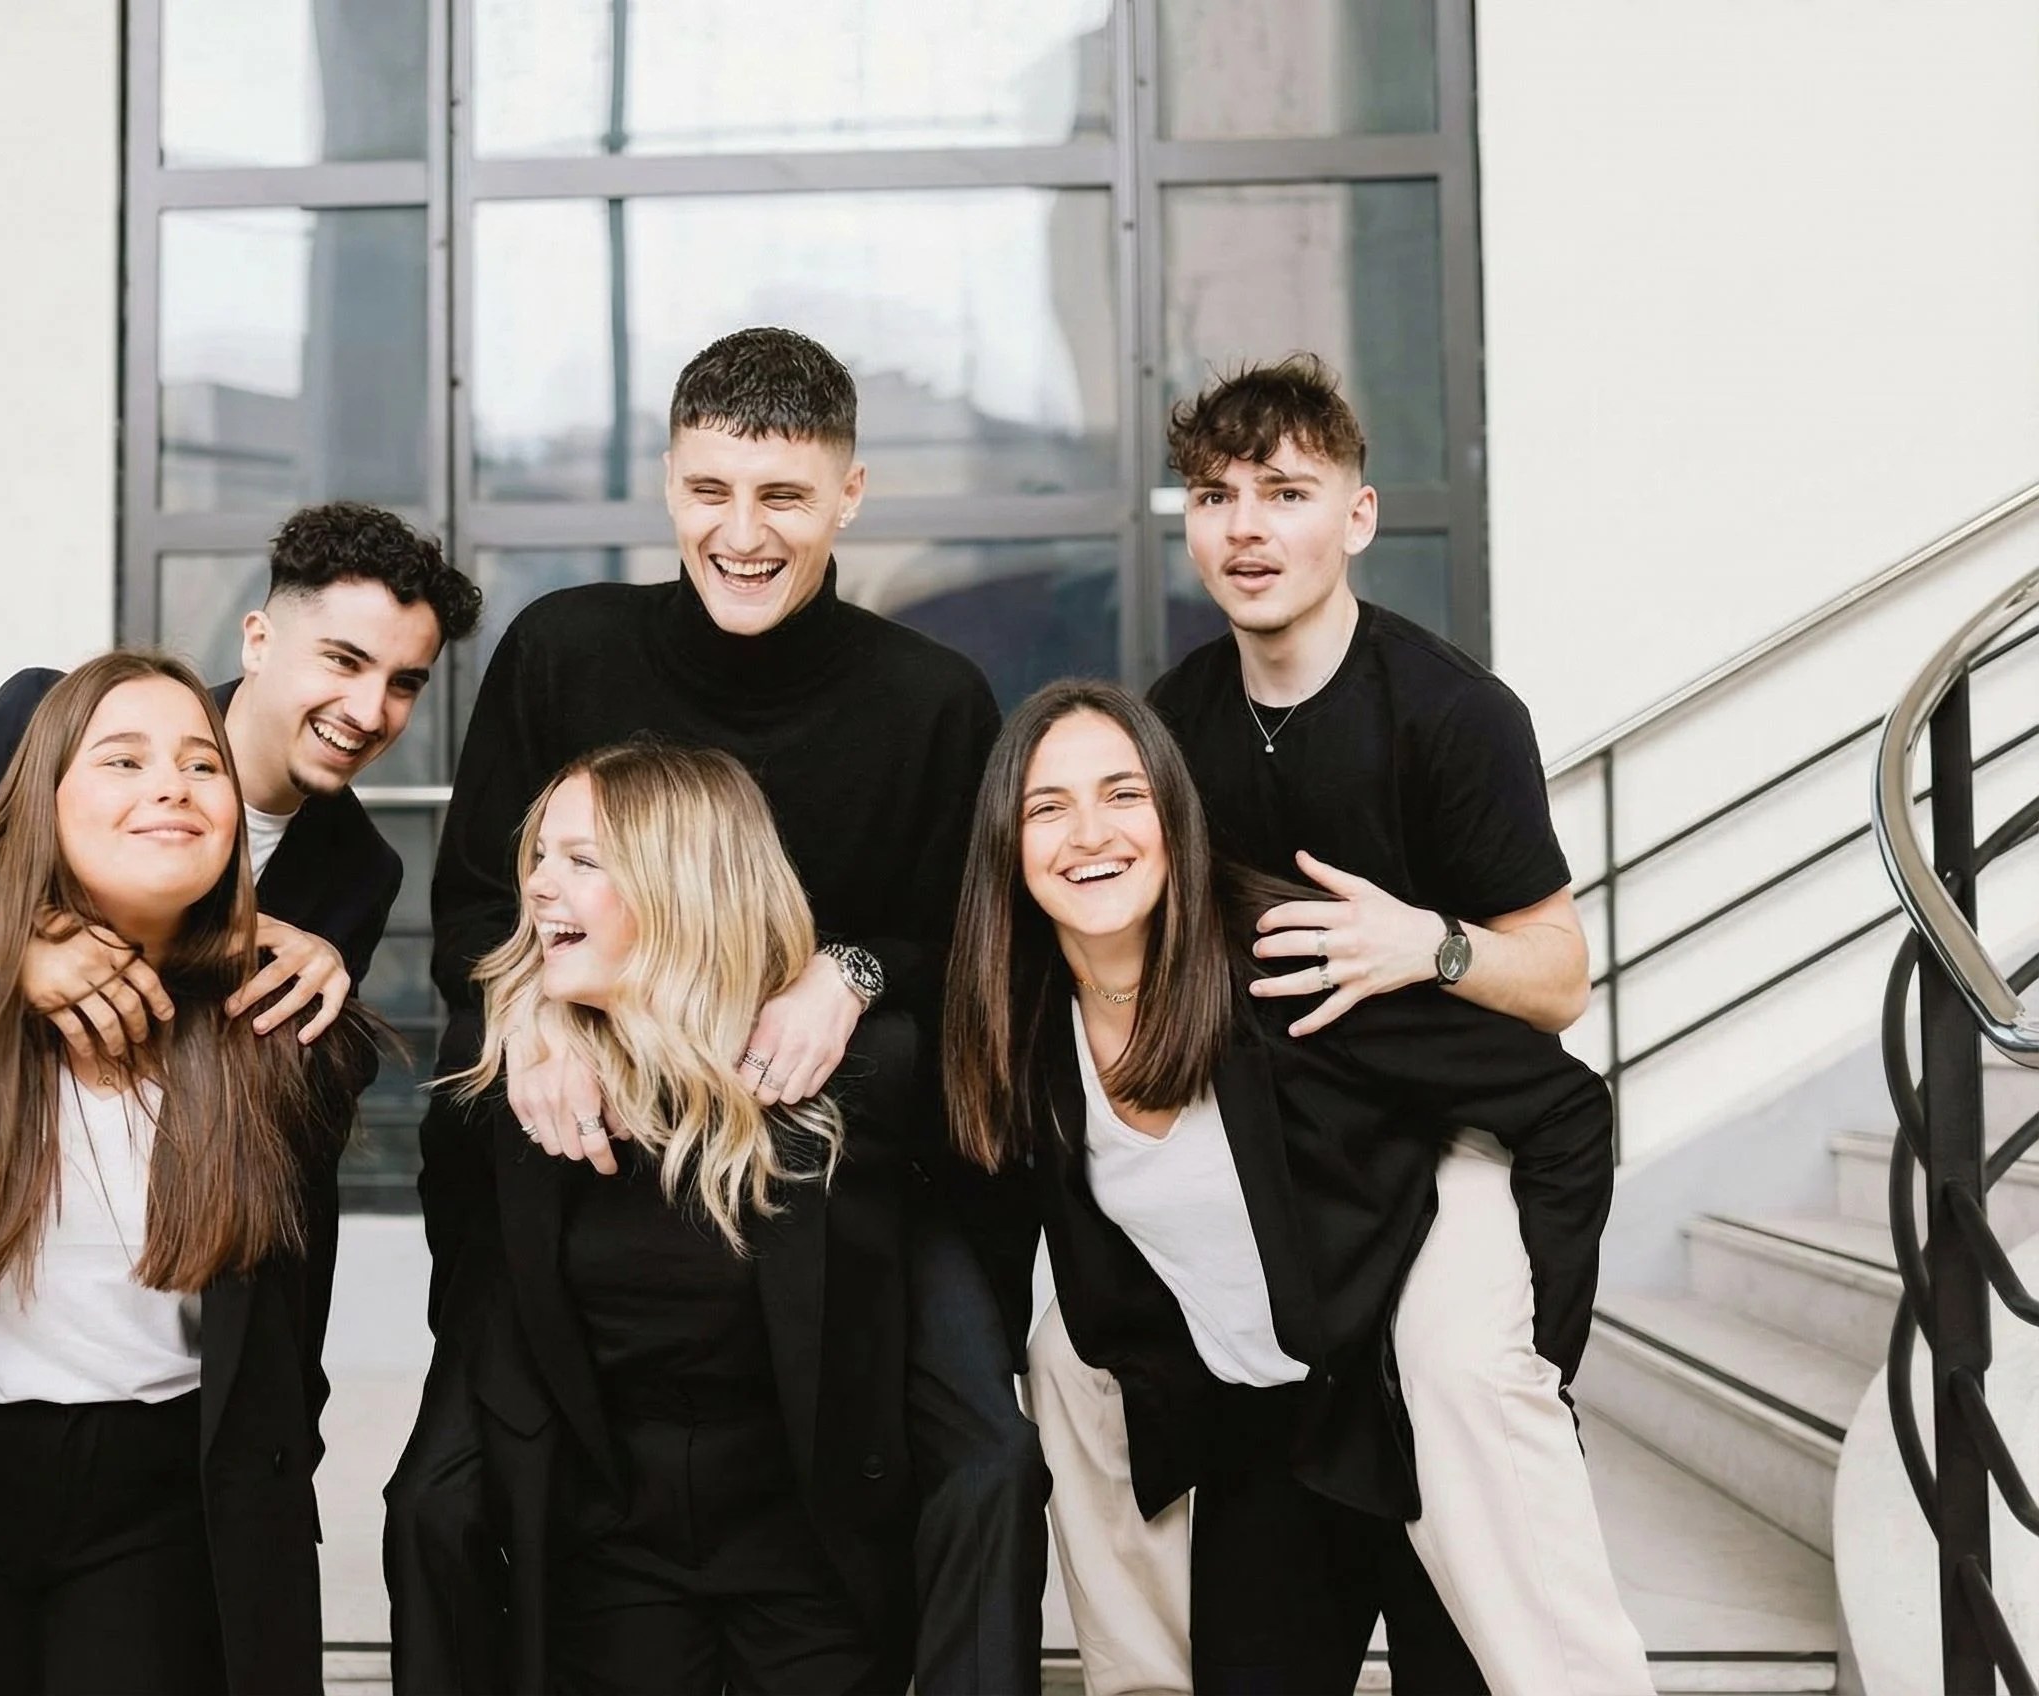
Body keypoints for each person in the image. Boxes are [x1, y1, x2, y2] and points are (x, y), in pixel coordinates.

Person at [0, 501, 479, 1695]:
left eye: (404, 684)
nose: (369, 708)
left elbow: (281, 1199)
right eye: (343, 659)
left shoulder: (354, 870)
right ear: (259, 638)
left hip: (147, 1383)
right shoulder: (60, 721)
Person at [389, 327, 1044, 1694]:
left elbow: (976, 950)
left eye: (783, 497)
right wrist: (533, 1022)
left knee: (988, 1463)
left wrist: (849, 973)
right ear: (667, 482)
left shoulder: (929, 701)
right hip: (595, 1132)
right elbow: (476, 907)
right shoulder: (566, 650)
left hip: (838, 1153)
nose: (741, 535)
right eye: (709, 491)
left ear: (848, 496)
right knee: (442, 1503)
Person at [1024, 356, 1648, 1695]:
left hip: (1444, 1123)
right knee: (1070, 1347)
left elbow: (1559, 981)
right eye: (1214, 496)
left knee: (1459, 1372)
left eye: (1285, 493)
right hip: (1278, 1143)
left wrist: (1429, 945)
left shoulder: (1451, 713)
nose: (1244, 528)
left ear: (1356, 516)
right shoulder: (1174, 724)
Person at [944, 680, 1616, 1692]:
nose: (1090, 834)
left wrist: (1531, 1357)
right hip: (1277, 1443)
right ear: (1007, 843)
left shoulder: (1281, 965)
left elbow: (1562, 1108)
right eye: (1048, 806)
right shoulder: (1025, 1025)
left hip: (1415, 1421)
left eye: (1122, 794)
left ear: (1174, 817)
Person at [419, 740, 919, 1692]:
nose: (539, 885)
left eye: (582, 860)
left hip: (809, 1551)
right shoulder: (508, 1085)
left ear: (684, 888)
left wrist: (850, 971)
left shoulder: (857, 1076)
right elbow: (473, 1309)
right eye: (539, 856)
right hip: (611, 1551)